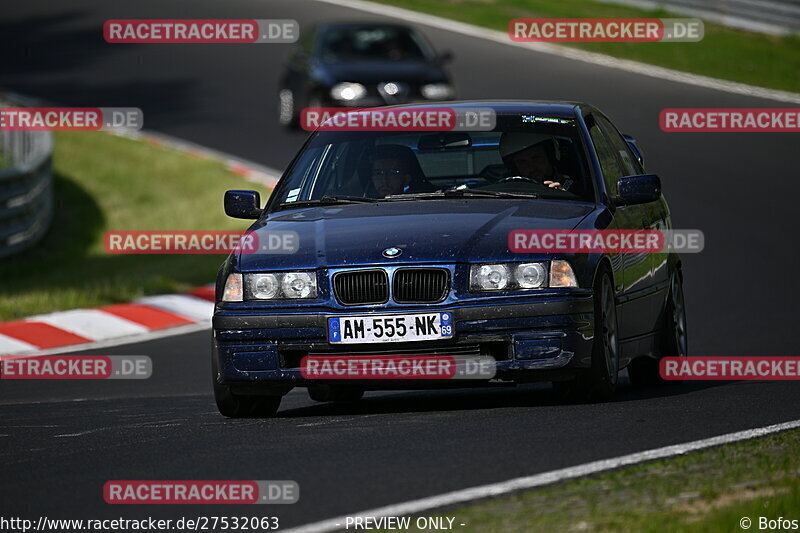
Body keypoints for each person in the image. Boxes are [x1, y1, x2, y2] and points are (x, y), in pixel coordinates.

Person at [498, 132, 572, 190]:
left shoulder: (573, 187)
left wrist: (564, 197)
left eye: (535, 157)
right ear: (514, 167)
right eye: (522, 162)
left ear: (550, 156)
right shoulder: (507, 193)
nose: (531, 166)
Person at [369, 145, 436, 197]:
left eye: (393, 173)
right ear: (372, 178)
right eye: (378, 173)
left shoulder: (420, 206)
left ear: (406, 179)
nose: (384, 180)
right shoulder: (360, 205)